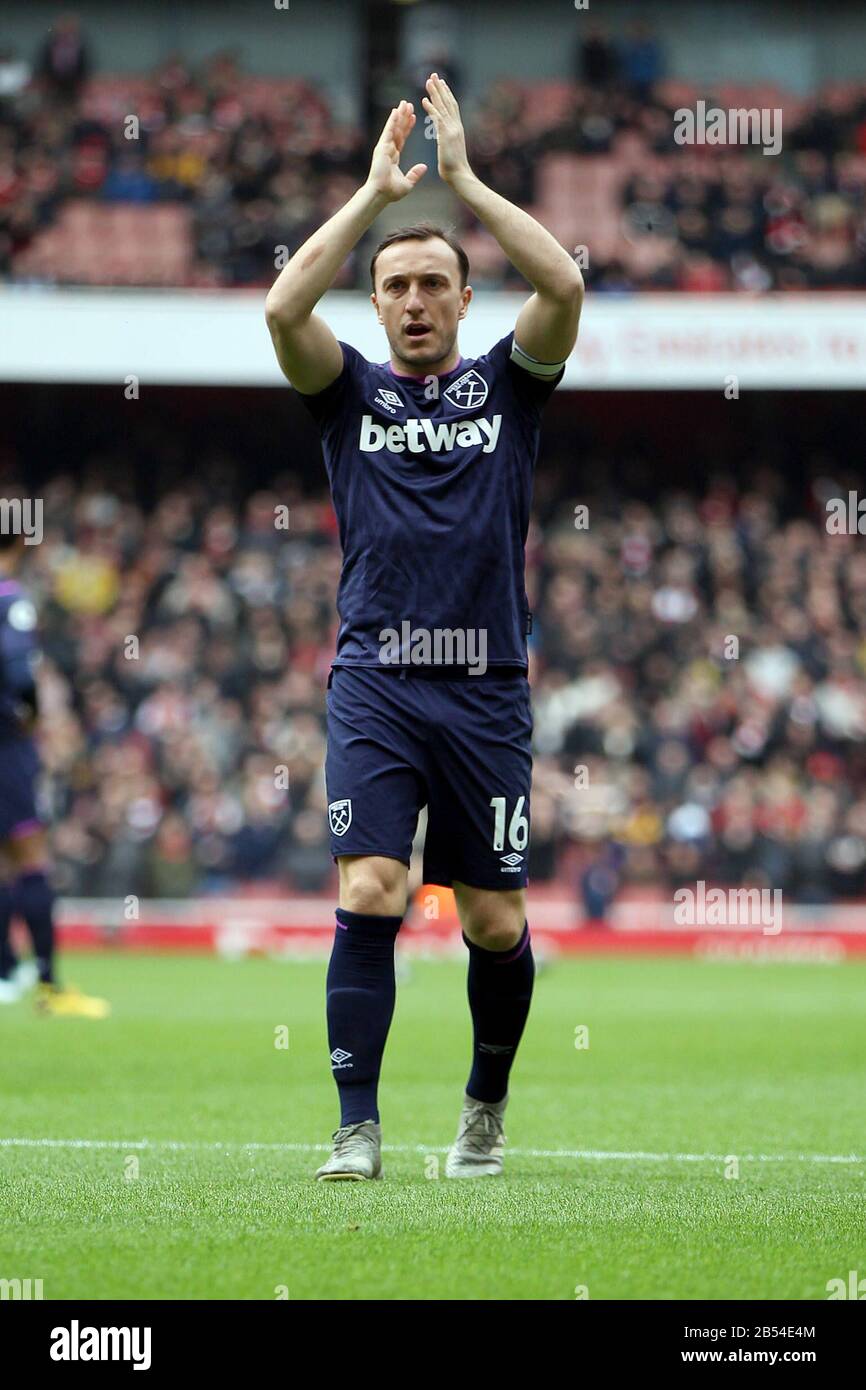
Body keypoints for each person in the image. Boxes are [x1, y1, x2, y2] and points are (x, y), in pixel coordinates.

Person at [265, 74, 582, 1180]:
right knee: (371, 890)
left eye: (429, 284)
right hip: (377, 678)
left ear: (458, 300)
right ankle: (356, 1126)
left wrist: (462, 183)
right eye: (393, 284)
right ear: (378, 303)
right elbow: (278, 310)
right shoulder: (345, 393)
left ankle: (482, 1105)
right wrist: (368, 197)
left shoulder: (508, 387)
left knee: (491, 921)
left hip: (485, 685)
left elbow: (562, 285)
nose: (409, 299)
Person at [0, 531, 108, 1017]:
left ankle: (6, 971)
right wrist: (31, 716)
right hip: (7, 745)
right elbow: (21, 674)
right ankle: (47, 982)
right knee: (30, 855)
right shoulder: (12, 598)